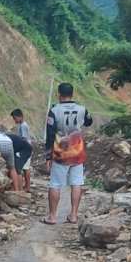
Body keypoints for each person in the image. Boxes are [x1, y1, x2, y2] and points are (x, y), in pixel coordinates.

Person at [43, 82, 93, 225]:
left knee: (55, 184)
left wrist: (48, 156)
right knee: (77, 183)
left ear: (59, 94)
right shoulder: (82, 109)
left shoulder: (54, 111)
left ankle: (52, 216)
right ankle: (73, 215)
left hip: (60, 153)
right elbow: (89, 122)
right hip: (77, 153)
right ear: (72, 94)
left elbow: (50, 134)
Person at [10, 108, 32, 192]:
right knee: (25, 167)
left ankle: (24, 187)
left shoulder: (23, 126)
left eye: (15, 118)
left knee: (22, 168)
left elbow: (24, 139)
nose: (14, 120)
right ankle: (26, 186)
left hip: (24, 149)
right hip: (26, 148)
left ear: (20, 117)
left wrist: (19, 149)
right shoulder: (23, 125)